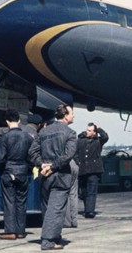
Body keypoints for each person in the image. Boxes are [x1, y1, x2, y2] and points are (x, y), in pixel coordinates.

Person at [29, 104, 77, 251]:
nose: (73, 115)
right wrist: (52, 166)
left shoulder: (43, 132)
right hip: (60, 175)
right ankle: (48, 240)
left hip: (45, 176)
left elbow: (32, 152)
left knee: (47, 207)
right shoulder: (70, 133)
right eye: (72, 113)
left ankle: (55, 236)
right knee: (56, 209)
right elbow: (68, 155)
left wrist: (42, 165)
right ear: (66, 115)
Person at [0, 109, 33, 240]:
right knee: (21, 202)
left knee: (9, 202)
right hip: (23, 172)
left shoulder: (5, 137)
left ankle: (10, 231)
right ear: (19, 120)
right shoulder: (28, 137)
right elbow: (32, 157)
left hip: (8, 172)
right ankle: (21, 231)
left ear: (6, 121)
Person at [75, 122, 108, 218]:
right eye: (87, 130)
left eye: (90, 131)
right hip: (82, 170)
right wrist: (78, 162)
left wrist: (99, 129)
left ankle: (90, 211)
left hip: (94, 170)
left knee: (92, 192)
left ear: (94, 132)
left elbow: (105, 137)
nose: (88, 132)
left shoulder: (98, 141)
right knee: (84, 192)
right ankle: (87, 209)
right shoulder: (79, 141)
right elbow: (75, 153)